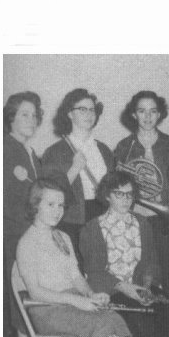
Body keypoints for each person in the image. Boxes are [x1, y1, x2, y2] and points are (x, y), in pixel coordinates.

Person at [16, 179, 133, 337]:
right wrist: (77, 301)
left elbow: (76, 277)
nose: (57, 211)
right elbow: (35, 292)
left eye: (61, 205)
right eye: (50, 205)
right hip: (46, 309)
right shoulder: (27, 243)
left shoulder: (62, 236)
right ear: (35, 205)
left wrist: (90, 294)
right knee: (100, 325)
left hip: (71, 302)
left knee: (113, 319)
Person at [79, 170, 169, 337]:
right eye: (119, 194)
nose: (126, 200)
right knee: (138, 314)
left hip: (138, 285)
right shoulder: (92, 229)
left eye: (130, 194)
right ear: (107, 195)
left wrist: (146, 285)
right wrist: (125, 287)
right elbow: (95, 273)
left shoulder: (142, 223)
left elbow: (151, 260)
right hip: (110, 291)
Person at [114, 89, 169, 276]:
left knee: (166, 270)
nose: (147, 116)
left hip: (164, 220)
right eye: (141, 111)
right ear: (133, 114)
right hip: (134, 217)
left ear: (159, 114)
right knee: (138, 270)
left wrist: (168, 201)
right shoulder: (124, 147)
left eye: (153, 111)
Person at [41, 89, 113, 256]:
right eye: (82, 109)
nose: (88, 114)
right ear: (69, 114)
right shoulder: (54, 152)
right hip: (72, 219)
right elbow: (50, 194)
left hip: (103, 214)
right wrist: (74, 168)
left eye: (92, 109)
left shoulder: (104, 149)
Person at [4, 91, 44, 337]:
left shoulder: (29, 152)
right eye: (24, 114)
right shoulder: (5, 148)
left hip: (30, 237)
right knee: (21, 298)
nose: (31, 120)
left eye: (33, 115)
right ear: (11, 118)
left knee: (32, 296)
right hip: (14, 237)